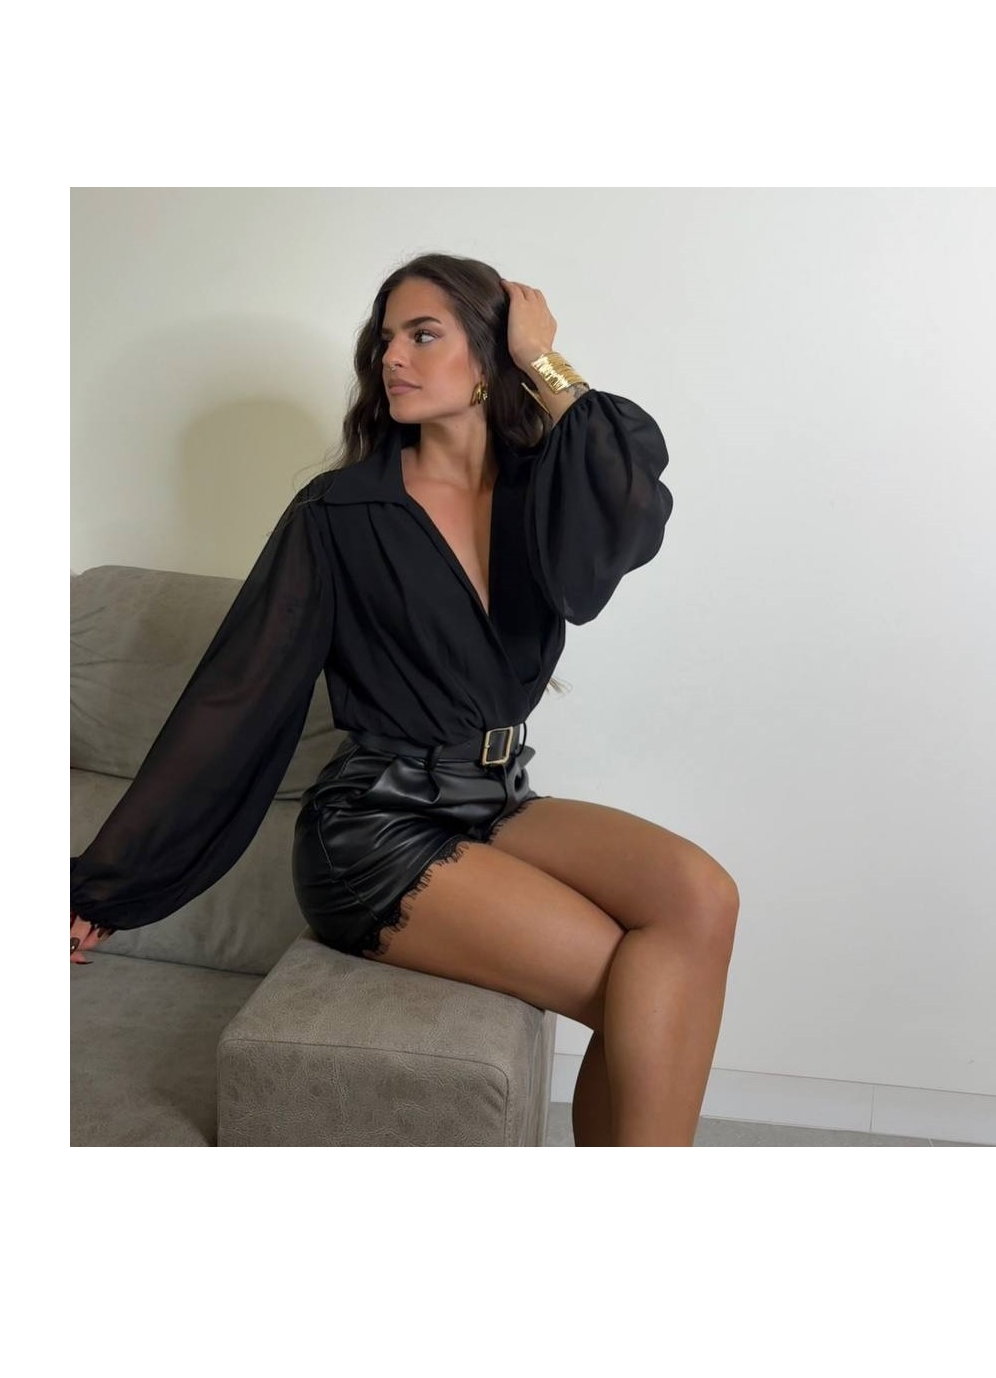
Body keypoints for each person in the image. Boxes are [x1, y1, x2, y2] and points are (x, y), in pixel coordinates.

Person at [70, 252, 740, 1146]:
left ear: (491, 353)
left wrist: (544, 359)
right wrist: (103, 888)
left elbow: (629, 491)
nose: (392, 357)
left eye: (424, 335)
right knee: (642, 980)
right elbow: (234, 701)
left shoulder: (542, 495)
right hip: (374, 832)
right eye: (386, 339)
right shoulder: (339, 514)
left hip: (496, 798)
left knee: (703, 896)